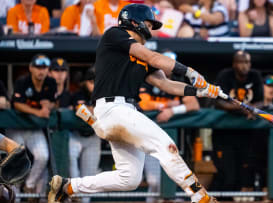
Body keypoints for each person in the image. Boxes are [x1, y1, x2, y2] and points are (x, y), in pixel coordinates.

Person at [48, 4, 221, 203]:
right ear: (134, 21)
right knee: (165, 145)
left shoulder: (141, 54)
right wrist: (189, 72)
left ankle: (68, 186)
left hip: (124, 111)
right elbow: (153, 57)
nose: (151, 28)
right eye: (148, 23)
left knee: (129, 178)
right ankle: (199, 196)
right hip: (113, 108)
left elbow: (165, 84)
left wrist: (201, 90)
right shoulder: (115, 34)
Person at [139, 50, 200, 203]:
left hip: (170, 138)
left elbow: (194, 105)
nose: (166, 67)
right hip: (148, 135)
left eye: (170, 63)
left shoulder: (178, 82)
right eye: (164, 62)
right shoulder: (147, 77)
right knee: (154, 181)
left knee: (171, 178)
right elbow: (143, 103)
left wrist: (173, 110)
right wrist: (166, 104)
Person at [212, 51, 263, 201]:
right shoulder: (225, 75)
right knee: (227, 174)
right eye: (241, 62)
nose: (244, 66)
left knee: (242, 175)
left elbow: (261, 101)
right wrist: (244, 108)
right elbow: (218, 101)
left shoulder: (255, 76)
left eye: (247, 62)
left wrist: (253, 109)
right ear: (234, 64)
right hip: (224, 134)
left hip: (246, 135)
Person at [7, 54, 56, 203]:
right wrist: (38, 112)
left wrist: (48, 105)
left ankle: (29, 185)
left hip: (34, 129)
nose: (41, 71)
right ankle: (14, 196)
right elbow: (17, 104)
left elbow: (52, 103)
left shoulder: (50, 82)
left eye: (44, 68)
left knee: (42, 156)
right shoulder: (23, 81)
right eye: (38, 67)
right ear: (31, 68)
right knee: (16, 160)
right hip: (17, 127)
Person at [70, 68, 101, 203]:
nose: (93, 84)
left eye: (96, 81)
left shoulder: (104, 94)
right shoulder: (78, 94)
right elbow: (80, 110)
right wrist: (95, 116)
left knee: (90, 175)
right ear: (84, 82)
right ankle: (75, 192)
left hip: (93, 138)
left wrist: (91, 111)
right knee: (71, 161)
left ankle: (84, 200)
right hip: (75, 136)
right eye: (90, 81)